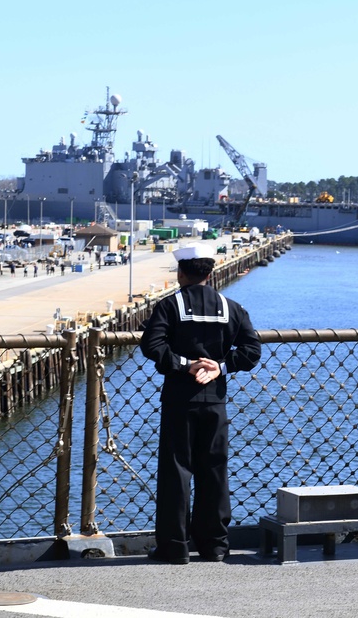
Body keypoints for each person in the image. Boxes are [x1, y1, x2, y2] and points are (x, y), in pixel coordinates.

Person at [139, 242, 261, 564]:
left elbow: (152, 346)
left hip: (180, 397)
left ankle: (174, 546)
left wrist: (185, 364)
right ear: (210, 272)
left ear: (181, 273)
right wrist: (219, 366)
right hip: (215, 400)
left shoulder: (169, 306)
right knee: (215, 469)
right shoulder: (231, 307)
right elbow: (251, 352)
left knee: (177, 471)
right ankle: (215, 546)